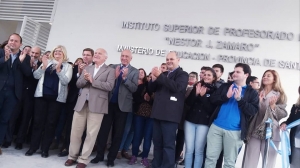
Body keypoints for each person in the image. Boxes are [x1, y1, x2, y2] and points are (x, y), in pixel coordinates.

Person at [64, 48, 115, 168]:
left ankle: (83, 159)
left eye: (99, 53)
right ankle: (72, 156)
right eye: (95, 53)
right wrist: (85, 79)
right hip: (82, 103)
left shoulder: (110, 70)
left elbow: (110, 86)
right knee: (75, 132)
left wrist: (93, 81)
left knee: (91, 134)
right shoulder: (88, 68)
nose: (96, 55)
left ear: (105, 57)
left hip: (97, 106)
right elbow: (78, 84)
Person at [205, 63, 259, 168]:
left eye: (238, 72)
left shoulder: (252, 93)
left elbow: (253, 111)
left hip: (235, 132)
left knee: (229, 163)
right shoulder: (225, 86)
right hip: (216, 128)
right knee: (210, 159)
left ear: (246, 75)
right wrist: (226, 96)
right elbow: (213, 100)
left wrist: (239, 99)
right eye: (234, 71)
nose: (234, 74)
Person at [91, 49, 139, 167]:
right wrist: (116, 76)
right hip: (108, 103)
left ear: (131, 58)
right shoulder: (112, 67)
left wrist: (125, 79)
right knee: (103, 131)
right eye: (122, 56)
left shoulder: (135, 71)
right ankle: (99, 155)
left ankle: (111, 158)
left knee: (118, 133)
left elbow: (134, 88)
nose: (124, 58)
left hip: (122, 107)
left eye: (126, 56)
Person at [25, 45, 73, 158]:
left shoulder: (67, 66)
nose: (57, 53)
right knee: (37, 123)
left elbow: (66, 81)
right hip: (41, 96)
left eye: (60, 51)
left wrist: (59, 70)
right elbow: (36, 76)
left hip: (56, 100)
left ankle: (45, 149)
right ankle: (33, 147)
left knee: (50, 124)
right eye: (56, 51)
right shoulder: (47, 62)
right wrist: (43, 67)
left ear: (64, 54)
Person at [149, 51, 189, 168]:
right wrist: (153, 78)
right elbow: (152, 88)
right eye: (167, 59)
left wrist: (160, 76)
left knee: (168, 145)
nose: (169, 61)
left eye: (171, 59)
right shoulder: (164, 74)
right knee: (157, 143)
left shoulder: (183, 74)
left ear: (178, 60)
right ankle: (156, 165)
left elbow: (177, 87)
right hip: (157, 113)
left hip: (170, 116)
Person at [243, 70, 287, 168]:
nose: (265, 77)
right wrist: (257, 102)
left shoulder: (280, 95)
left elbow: (282, 114)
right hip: (255, 130)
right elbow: (251, 111)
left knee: (268, 163)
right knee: (250, 162)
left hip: (271, 133)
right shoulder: (257, 92)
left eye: (268, 76)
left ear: (274, 79)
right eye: (264, 75)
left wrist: (273, 106)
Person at [2, 46, 42, 150]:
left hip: (31, 96)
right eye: (32, 52)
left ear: (39, 54)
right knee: (12, 117)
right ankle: (7, 139)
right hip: (19, 92)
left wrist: (35, 68)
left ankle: (20, 141)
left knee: (25, 119)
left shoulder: (42, 64)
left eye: (36, 53)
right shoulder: (24, 59)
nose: (33, 54)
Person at [58, 48, 95, 157]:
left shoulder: (95, 68)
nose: (85, 57)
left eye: (88, 55)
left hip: (88, 102)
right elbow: (72, 83)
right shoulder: (77, 67)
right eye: (84, 55)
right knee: (70, 126)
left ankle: (80, 151)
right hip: (74, 100)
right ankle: (67, 147)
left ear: (92, 57)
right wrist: (79, 73)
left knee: (85, 129)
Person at [0, 33, 31, 155]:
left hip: (13, 94)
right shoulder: (1, 52)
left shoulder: (25, 57)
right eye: (11, 40)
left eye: (16, 41)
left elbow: (28, 73)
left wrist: (21, 61)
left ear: (20, 44)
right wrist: (5, 59)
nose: (12, 42)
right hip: (0, 90)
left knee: (4, 120)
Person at [184, 68, 217, 168]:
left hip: (204, 123)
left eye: (209, 75)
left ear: (214, 78)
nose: (206, 77)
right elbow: (188, 103)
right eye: (205, 74)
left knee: (199, 150)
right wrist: (196, 94)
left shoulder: (215, 90)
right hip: (190, 121)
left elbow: (211, 109)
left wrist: (202, 97)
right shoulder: (197, 85)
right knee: (189, 149)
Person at [128, 68, 153, 167]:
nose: (151, 78)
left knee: (147, 137)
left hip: (151, 116)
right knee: (137, 135)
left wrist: (149, 100)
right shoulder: (142, 86)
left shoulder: (158, 88)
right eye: (150, 77)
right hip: (139, 114)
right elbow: (135, 97)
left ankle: (144, 158)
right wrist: (144, 99)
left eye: (153, 77)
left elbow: (157, 102)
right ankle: (134, 155)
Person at [280, 86, 300, 168]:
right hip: (296, 139)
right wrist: (284, 123)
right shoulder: (296, 107)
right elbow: (290, 120)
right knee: (295, 163)